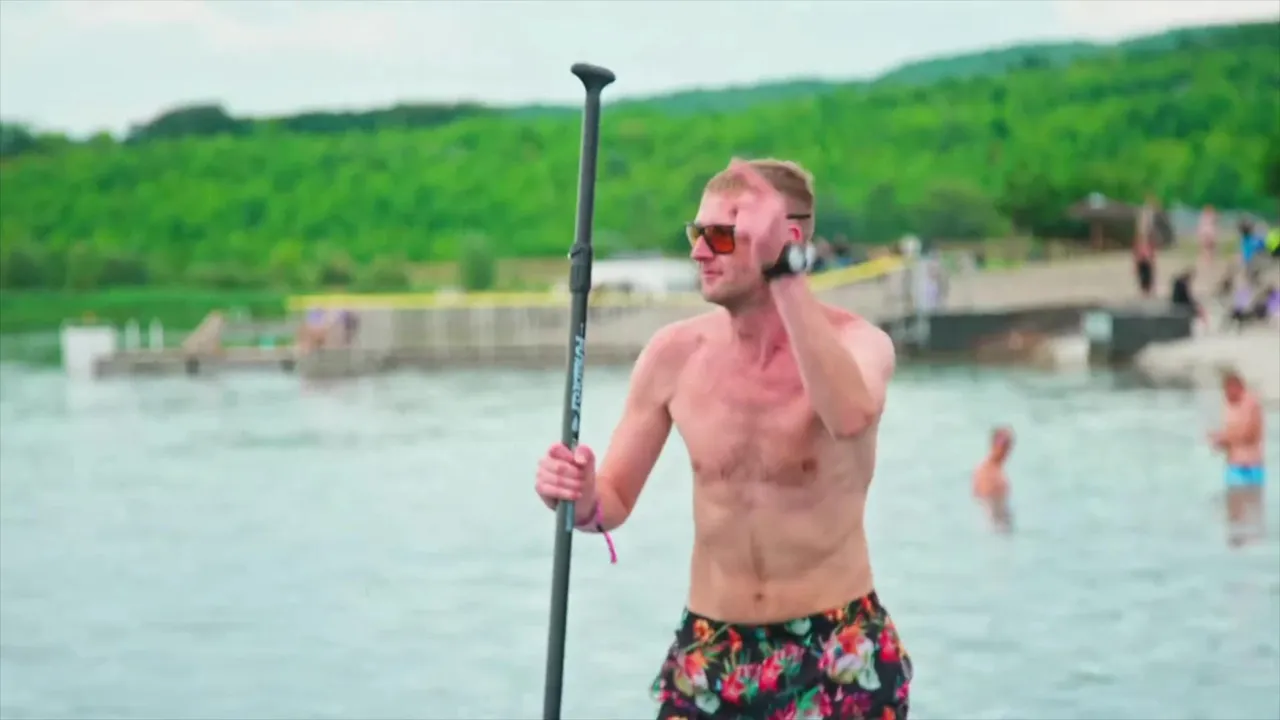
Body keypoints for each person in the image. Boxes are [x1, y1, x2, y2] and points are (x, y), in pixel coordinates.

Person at [534, 158, 911, 719]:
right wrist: (578, 495)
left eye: (721, 236)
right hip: (712, 648)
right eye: (697, 232)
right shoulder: (673, 355)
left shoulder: (859, 344)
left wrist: (785, 275)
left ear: (786, 241)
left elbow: (850, 416)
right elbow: (611, 502)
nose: (698, 252)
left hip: (836, 647)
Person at [1207, 368, 1266, 546]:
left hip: (1251, 466)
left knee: (1251, 512)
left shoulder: (1251, 404)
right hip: (1234, 466)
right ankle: (1236, 541)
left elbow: (1249, 434)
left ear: (1238, 387)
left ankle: (1247, 540)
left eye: (1229, 390)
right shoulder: (1229, 405)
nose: (1227, 395)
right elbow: (1233, 434)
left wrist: (1224, 438)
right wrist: (1219, 440)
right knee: (1233, 511)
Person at [972, 426, 1014, 533]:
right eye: (1003, 446)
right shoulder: (985, 471)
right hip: (993, 521)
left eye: (1008, 446)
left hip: (1000, 518)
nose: (1005, 451)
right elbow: (985, 500)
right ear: (994, 445)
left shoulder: (998, 470)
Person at [1133, 195, 1159, 298]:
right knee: (1144, 270)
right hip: (1143, 250)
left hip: (1145, 250)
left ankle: (1147, 289)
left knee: (1147, 270)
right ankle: (1145, 289)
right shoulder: (1145, 216)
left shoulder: (1147, 217)